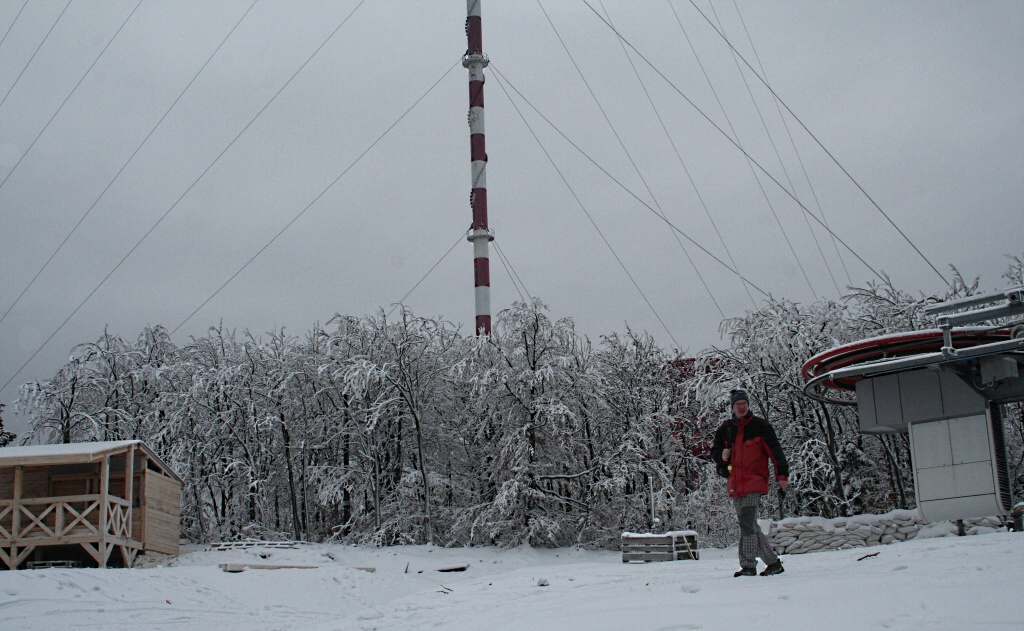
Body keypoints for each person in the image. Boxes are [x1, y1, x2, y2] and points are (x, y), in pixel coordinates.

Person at [711, 389, 789, 577]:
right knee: (750, 524)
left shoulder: (760, 426)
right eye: (738, 404)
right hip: (736, 484)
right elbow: (714, 452)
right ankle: (773, 564)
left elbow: (776, 452)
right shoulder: (726, 429)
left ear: (748, 405)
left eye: (744, 403)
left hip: (755, 482)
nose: (741, 407)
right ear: (732, 407)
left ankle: (747, 565)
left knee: (746, 523)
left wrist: (782, 477)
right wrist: (721, 456)